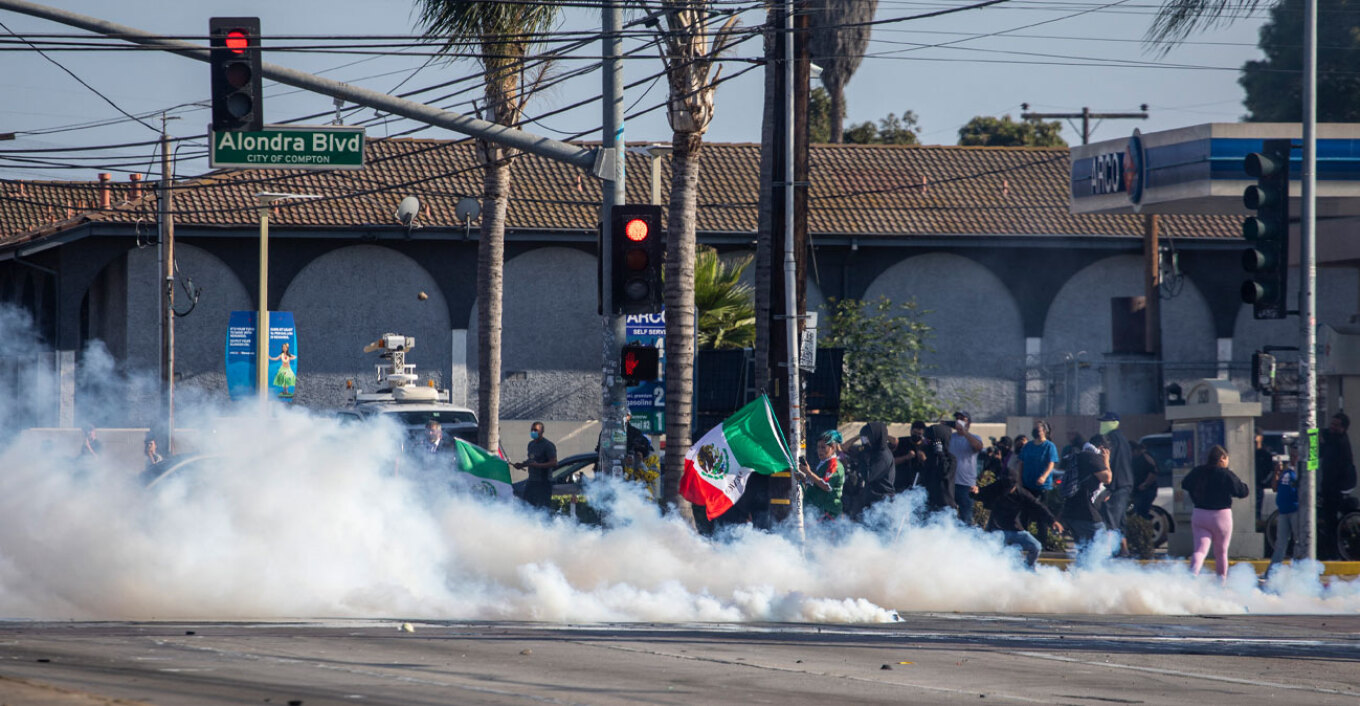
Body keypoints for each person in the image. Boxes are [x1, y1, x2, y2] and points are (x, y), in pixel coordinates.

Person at [1181, 445, 1249, 580]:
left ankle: (1192, 574)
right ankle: (1221, 583)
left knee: (1200, 550)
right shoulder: (1226, 474)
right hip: (1221, 517)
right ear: (1222, 458)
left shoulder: (1198, 471)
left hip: (1200, 514)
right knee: (1221, 552)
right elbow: (1242, 491)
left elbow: (1185, 484)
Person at [973, 468, 1063, 568]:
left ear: (1015, 485)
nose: (1007, 491)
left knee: (1036, 547)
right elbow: (982, 493)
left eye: (1010, 488)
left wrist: (1052, 521)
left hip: (1015, 529)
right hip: (997, 529)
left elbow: (1038, 506)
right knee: (994, 548)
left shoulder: (1022, 493)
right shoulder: (997, 486)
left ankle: (1028, 569)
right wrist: (975, 492)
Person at [1060, 434, 1112, 549]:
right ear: (1102, 448)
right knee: (1102, 545)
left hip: (1071, 512)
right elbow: (1107, 478)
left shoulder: (1079, 456)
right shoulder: (1092, 457)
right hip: (1086, 513)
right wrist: (1106, 461)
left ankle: (1082, 567)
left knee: (1084, 550)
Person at [1319, 411, 1356, 558]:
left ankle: (1333, 552)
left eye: (1336, 425)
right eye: (1331, 424)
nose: (1332, 427)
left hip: (1336, 486)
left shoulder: (1340, 441)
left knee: (1331, 520)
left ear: (1343, 428)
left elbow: (1326, 437)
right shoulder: (1333, 439)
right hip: (1331, 484)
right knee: (1329, 518)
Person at [1099, 411, 1134, 553]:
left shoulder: (1111, 439)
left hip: (1117, 485)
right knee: (1119, 522)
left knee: (1110, 521)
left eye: (1104, 422)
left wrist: (1109, 488)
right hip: (1124, 484)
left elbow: (1112, 464)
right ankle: (1124, 552)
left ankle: (1105, 555)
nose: (1101, 425)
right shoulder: (1122, 438)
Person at [1267, 444, 1301, 576]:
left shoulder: (1300, 471)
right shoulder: (1286, 471)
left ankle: (1298, 570)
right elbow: (1275, 487)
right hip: (1283, 510)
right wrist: (1277, 473)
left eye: (1295, 456)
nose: (1293, 458)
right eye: (1291, 455)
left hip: (1295, 510)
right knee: (1280, 543)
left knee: (1298, 541)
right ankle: (1272, 572)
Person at [798, 431, 845, 519]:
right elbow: (815, 483)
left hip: (828, 512)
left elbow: (826, 486)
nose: (820, 450)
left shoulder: (834, 465)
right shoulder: (824, 463)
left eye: (823, 447)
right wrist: (803, 477)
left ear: (833, 448)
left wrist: (809, 472)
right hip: (817, 511)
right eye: (818, 447)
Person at [950, 411, 985, 526]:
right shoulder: (950, 437)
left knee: (966, 517)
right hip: (950, 482)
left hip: (966, 484)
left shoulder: (974, 437)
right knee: (948, 516)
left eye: (962, 419)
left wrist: (964, 432)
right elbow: (934, 443)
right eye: (957, 419)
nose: (959, 421)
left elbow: (978, 447)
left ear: (969, 423)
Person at [855, 422, 896, 514]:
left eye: (866, 438)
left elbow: (869, 476)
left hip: (882, 501)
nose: (864, 441)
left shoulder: (883, 456)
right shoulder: (875, 452)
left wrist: (863, 457)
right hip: (873, 498)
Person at [516, 421, 557, 509]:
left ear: (542, 432)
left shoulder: (548, 445)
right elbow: (531, 460)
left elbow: (554, 462)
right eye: (532, 430)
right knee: (527, 506)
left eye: (536, 430)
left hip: (544, 482)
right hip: (532, 481)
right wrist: (522, 465)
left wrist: (538, 465)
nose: (533, 432)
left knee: (543, 508)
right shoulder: (531, 444)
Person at [918, 423, 957, 514]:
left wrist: (939, 453)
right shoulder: (928, 456)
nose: (926, 443)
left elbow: (944, 472)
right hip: (928, 503)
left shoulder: (950, 458)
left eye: (929, 440)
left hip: (944, 506)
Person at [1018, 420, 1059, 496]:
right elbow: (1021, 463)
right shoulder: (1027, 446)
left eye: (1038, 429)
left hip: (1042, 486)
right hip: (1027, 485)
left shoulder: (1049, 446)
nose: (1036, 431)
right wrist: (1019, 479)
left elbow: (1051, 464)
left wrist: (1043, 477)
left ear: (1044, 431)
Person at [893, 422, 927, 493]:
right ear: (911, 431)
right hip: (900, 484)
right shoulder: (902, 442)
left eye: (919, 434)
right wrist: (906, 457)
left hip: (919, 486)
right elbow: (892, 462)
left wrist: (924, 460)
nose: (916, 435)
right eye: (914, 432)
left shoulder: (927, 445)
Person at [1130, 441, 1159, 519]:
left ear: (1135, 450)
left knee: (1143, 513)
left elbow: (1153, 471)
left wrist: (1145, 484)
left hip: (1146, 491)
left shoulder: (1145, 456)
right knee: (1138, 513)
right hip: (1137, 491)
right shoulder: (1134, 459)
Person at [1253, 430, 1274, 527]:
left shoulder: (1266, 454)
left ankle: (1258, 522)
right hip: (1251, 484)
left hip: (1261, 485)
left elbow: (1270, 470)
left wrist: (1263, 481)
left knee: (1259, 506)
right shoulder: (1250, 453)